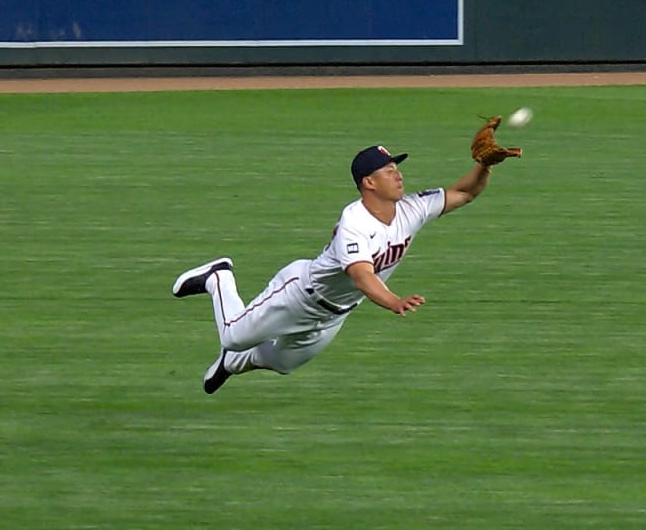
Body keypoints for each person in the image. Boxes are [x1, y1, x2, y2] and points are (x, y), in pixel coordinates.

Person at [172, 120, 520, 394]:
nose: (398, 174)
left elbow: (463, 192)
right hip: (300, 295)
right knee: (233, 335)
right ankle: (220, 278)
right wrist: (394, 301)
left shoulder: (412, 208)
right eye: (388, 171)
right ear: (369, 183)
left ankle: (231, 365)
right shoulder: (355, 221)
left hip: (335, 314)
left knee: (281, 363)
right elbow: (362, 276)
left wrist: (484, 166)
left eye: (396, 167)